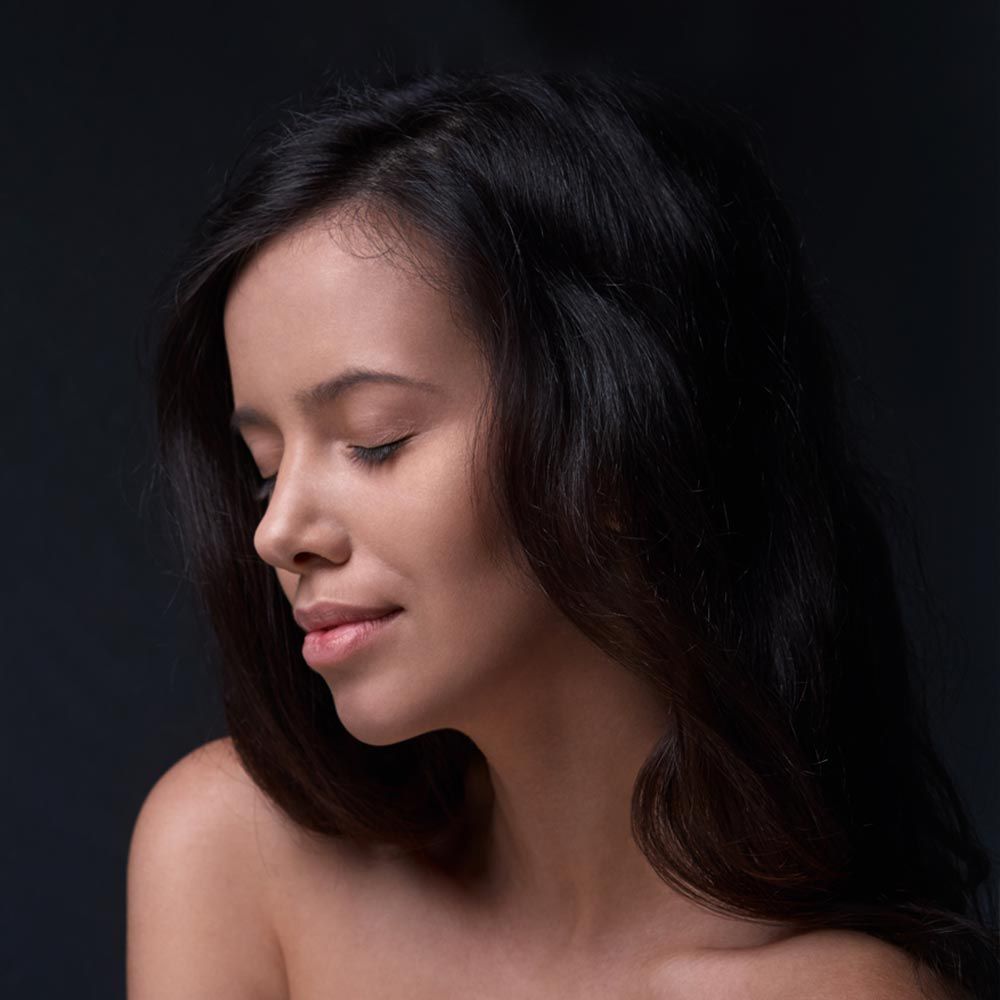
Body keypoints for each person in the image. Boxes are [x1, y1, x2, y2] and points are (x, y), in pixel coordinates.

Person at [126, 68, 997, 999]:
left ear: (623, 441)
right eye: (263, 467)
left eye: (375, 440)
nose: (277, 532)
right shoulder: (234, 856)